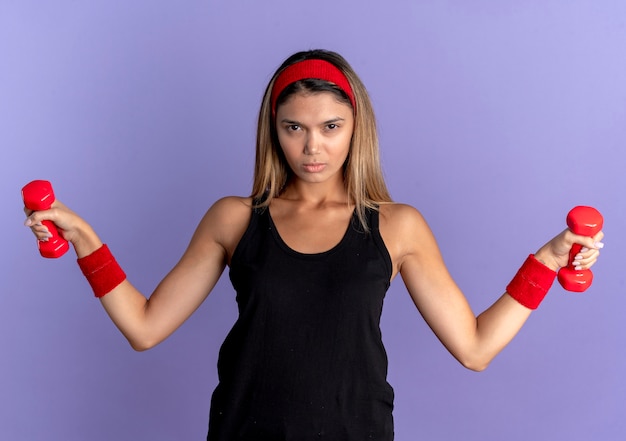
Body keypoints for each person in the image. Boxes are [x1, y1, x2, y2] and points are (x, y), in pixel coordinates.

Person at [23, 49, 603, 440]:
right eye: (293, 127)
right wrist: (86, 242)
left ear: (357, 128)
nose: (312, 147)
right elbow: (144, 328)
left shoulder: (396, 226)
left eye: (331, 126)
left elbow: (476, 348)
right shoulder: (234, 218)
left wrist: (547, 262)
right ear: (273, 130)